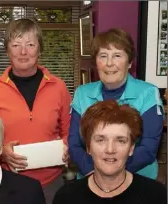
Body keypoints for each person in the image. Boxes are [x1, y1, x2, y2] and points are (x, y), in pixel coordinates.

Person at [0, 18, 71, 204]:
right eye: (16, 45)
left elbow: (69, 130)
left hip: (51, 185)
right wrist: (1, 152)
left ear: (39, 49)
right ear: (7, 50)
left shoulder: (59, 87)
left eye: (30, 44)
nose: (23, 51)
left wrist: (68, 148)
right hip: (6, 184)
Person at [69, 28, 164, 179]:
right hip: (90, 178)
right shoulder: (82, 93)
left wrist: (109, 172)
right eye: (103, 56)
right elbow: (74, 144)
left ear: (130, 62)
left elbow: (148, 148)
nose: (109, 63)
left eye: (117, 55)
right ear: (96, 62)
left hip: (137, 180)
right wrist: (94, 173)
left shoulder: (148, 93)